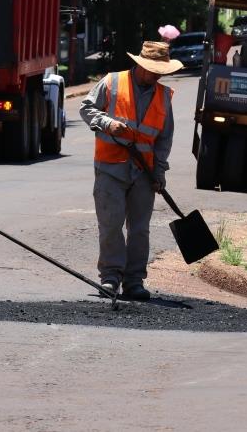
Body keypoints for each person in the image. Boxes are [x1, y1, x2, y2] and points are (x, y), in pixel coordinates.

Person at [79, 41, 182, 301]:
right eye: (152, 70)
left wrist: (159, 173)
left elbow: (164, 139)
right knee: (111, 225)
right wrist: (106, 123)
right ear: (139, 65)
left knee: (139, 229)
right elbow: (86, 108)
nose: (157, 75)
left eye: (161, 71)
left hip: (143, 174)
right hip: (110, 168)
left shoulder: (163, 96)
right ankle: (111, 278)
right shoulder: (112, 83)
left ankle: (134, 282)